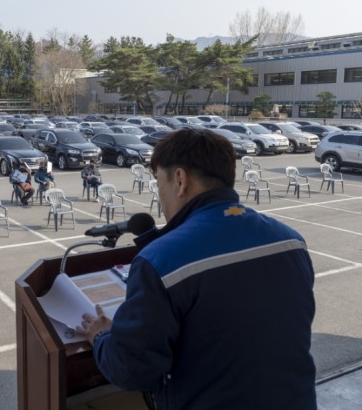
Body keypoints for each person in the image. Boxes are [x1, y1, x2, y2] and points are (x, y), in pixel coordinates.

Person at [76, 129, 316, 409]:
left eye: (158, 182)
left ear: (180, 180)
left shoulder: (161, 260)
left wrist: (102, 336)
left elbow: (132, 370)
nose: (160, 195)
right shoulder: (291, 241)